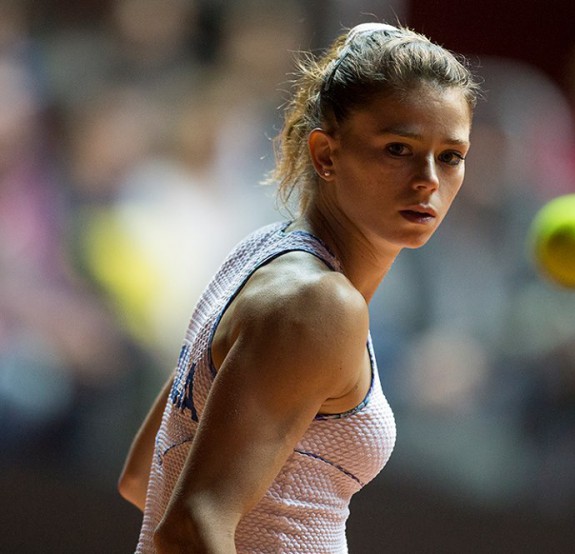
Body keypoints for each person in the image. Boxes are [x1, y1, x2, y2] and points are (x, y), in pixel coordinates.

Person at [118, 22, 480, 553]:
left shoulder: (261, 253)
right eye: (398, 148)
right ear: (326, 154)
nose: (428, 178)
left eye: (450, 156)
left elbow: (143, 476)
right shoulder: (319, 304)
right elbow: (190, 525)